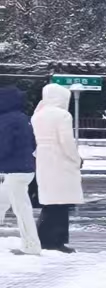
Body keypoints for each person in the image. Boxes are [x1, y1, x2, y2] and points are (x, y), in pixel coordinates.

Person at [31, 82, 82, 253]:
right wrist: (76, 159)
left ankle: (42, 238)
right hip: (60, 161)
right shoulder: (62, 116)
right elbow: (66, 142)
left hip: (43, 159)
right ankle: (56, 241)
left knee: (50, 203)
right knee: (61, 204)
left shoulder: (37, 115)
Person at [0, 86, 41, 255]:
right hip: (25, 169)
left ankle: (31, 246)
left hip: (13, 171)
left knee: (22, 210)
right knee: (2, 202)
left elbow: (4, 147)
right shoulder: (25, 119)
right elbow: (33, 143)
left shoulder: (6, 121)